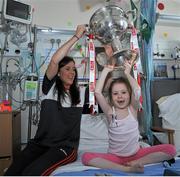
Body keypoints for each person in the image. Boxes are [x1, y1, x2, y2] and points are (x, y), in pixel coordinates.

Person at [4, 24, 87, 176]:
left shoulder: (81, 94)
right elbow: (55, 61)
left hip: (64, 147)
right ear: (59, 73)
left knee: (31, 172)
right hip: (40, 144)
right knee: (13, 171)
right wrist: (76, 36)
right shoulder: (50, 88)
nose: (72, 72)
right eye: (67, 69)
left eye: (74, 69)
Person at [82, 49, 176, 173]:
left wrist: (127, 72)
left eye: (123, 92)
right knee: (86, 157)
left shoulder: (133, 109)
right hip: (115, 158)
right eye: (115, 94)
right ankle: (125, 168)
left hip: (136, 154)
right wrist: (106, 69)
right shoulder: (110, 113)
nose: (120, 96)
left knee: (171, 150)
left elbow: (137, 90)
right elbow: (98, 92)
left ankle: (135, 163)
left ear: (129, 94)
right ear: (111, 97)